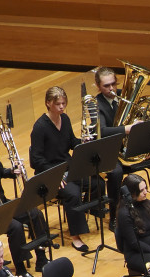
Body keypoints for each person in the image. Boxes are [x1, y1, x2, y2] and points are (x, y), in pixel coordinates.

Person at [0, 129, 49, 277]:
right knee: (15, 227)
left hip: (1, 204)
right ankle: (21, 271)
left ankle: (42, 259)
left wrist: (12, 172)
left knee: (34, 213)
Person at [28, 86, 95, 251]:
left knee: (97, 183)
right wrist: (55, 177)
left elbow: (71, 141)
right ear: (48, 103)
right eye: (58, 104)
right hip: (50, 174)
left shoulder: (64, 119)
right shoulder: (40, 127)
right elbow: (36, 159)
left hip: (68, 167)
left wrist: (83, 142)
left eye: (64, 103)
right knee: (72, 194)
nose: (62, 107)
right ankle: (76, 236)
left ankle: (91, 213)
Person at [92, 66, 131, 229]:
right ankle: (115, 215)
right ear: (98, 87)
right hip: (107, 152)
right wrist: (126, 129)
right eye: (106, 86)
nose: (111, 89)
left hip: (126, 148)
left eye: (113, 84)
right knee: (116, 173)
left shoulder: (124, 96)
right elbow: (101, 131)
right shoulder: (95, 104)